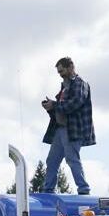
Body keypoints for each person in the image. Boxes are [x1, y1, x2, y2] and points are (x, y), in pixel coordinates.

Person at [41, 56, 94, 195]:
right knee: (52, 160)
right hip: (60, 129)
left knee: (72, 158)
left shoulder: (80, 83)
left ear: (71, 67)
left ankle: (84, 190)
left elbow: (75, 103)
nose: (60, 74)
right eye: (59, 72)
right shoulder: (64, 88)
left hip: (73, 130)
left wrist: (55, 104)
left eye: (62, 70)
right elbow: (60, 109)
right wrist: (51, 107)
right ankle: (48, 190)